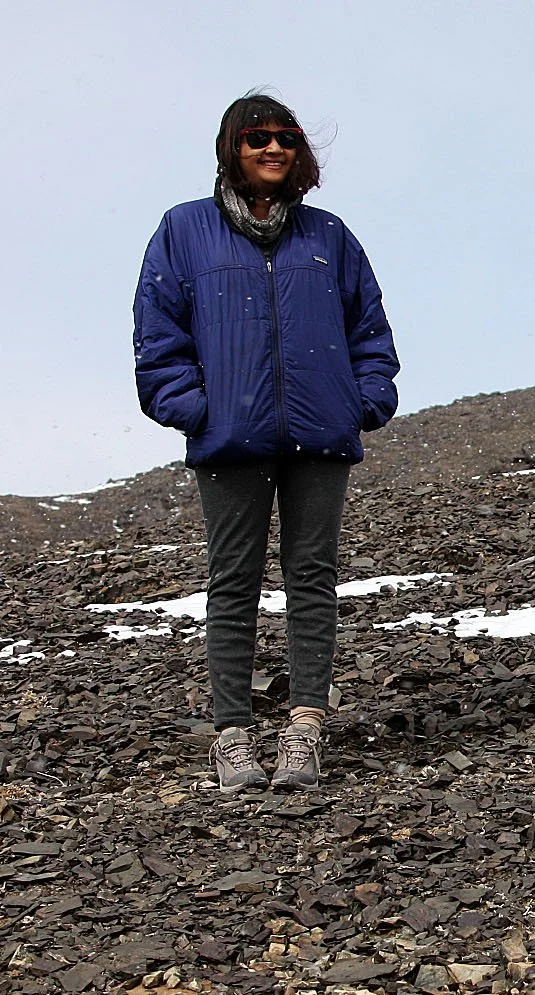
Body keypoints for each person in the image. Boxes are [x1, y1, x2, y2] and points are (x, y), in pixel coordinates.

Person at [133, 92, 399, 792]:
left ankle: (304, 729)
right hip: (232, 440)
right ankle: (233, 737)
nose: (273, 148)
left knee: (312, 579)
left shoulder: (328, 235)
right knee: (234, 584)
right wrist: (195, 410)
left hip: (320, 434)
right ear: (232, 147)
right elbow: (159, 332)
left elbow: (368, 327)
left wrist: (362, 402)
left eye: (285, 137)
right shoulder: (184, 230)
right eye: (257, 138)